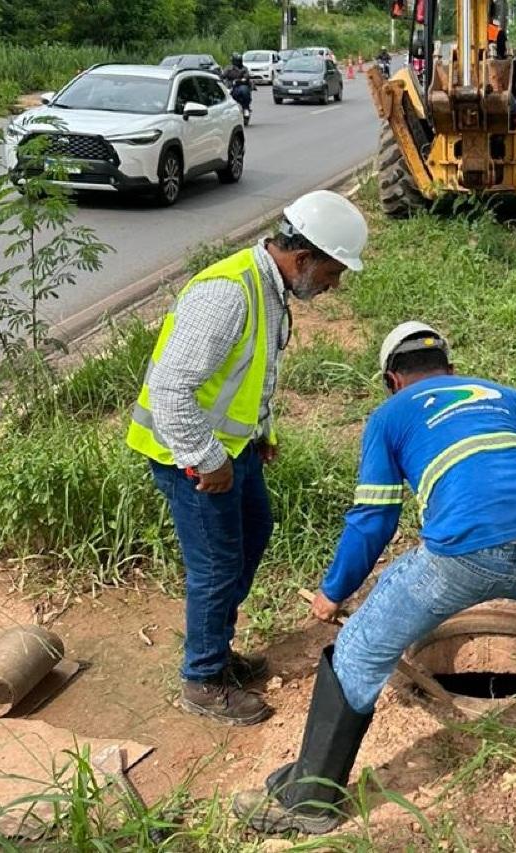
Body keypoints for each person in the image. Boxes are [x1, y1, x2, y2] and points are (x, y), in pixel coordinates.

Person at [233, 323, 516, 835]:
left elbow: (374, 518)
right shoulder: (501, 394)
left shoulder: (391, 415)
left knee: (359, 648)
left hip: (463, 553)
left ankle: (308, 803)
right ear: (449, 368)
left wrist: (333, 591)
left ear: (393, 379)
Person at [126, 191, 369, 726]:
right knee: (216, 566)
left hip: (233, 449)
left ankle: (216, 647)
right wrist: (204, 458)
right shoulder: (227, 293)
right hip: (187, 454)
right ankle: (203, 678)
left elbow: (248, 374)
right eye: (331, 274)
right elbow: (170, 389)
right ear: (303, 257)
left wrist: (262, 431)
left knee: (254, 533)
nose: (333, 286)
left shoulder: (271, 287)